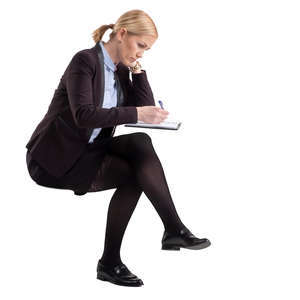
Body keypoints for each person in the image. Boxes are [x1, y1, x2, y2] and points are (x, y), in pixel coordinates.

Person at [25, 9, 211, 287]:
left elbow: (143, 107)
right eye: (140, 46)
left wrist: (137, 69)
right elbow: (84, 116)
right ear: (122, 34)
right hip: (55, 159)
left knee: (140, 143)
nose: (141, 53)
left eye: (146, 50)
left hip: (89, 150)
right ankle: (153, 239)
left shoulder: (122, 68)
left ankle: (149, 241)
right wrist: (137, 112)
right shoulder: (85, 61)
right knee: (138, 164)